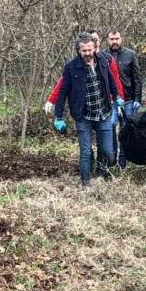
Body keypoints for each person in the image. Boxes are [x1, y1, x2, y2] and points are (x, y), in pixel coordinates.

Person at [54, 35, 123, 187]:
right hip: (83, 115)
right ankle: (86, 184)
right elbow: (62, 92)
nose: (87, 53)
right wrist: (58, 116)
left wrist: (116, 96)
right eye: (83, 50)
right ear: (78, 50)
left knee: (108, 151)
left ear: (95, 48)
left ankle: (105, 170)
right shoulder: (71, 67)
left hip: (103, 113)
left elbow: (110, 80)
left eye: (89, 50)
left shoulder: (103, 61)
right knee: (85, 152)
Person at [45, 30, 124, 113]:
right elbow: (63, 82)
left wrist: (120, 99)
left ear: (99, 41)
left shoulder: (107, 58)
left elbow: (115, 80)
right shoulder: (78, 61)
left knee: (111, 124)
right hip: (85, 107)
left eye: (95, 39)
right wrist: (51, 100)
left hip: (107, 103)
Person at [107, 30, 142, 169]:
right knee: (109, 128)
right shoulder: (103, 55)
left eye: (117, 38)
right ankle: (111, 160)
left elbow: (137, 79)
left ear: (121, 39)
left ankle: (123, 162)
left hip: (127, 100)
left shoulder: (130, 55)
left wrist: (137, 98)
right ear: (108, 40)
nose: (114, 41)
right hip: (110, 101)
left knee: (126, 130)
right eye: (112, 39)